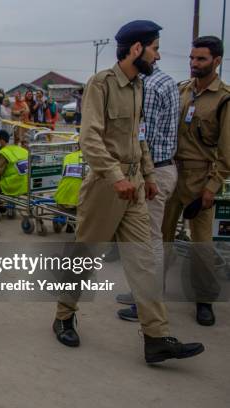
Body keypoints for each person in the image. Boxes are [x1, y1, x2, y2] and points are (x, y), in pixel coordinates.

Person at [52, 20, 204, 364]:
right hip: (106, 187)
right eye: (154, 47)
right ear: (136, 49)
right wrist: (116, 175)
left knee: (145, 261)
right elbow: (89, 139)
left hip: (134, 187)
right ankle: (63, 315)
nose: (158, 54)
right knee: (85, 256)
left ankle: (157, 336)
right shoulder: (100, 85)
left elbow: (140, 135)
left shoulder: (139, 86)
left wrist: (147, 175)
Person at [161, 36, 229, 326]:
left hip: (201, 177)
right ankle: (151, 292)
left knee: (201, 244)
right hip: (171, 173)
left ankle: (204, 300)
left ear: (217, 61)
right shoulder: (182, 91)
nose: (193, 63)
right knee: (160, 238)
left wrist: (212, 187)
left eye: (200, 59)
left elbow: (227, 150)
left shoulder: (224, 98)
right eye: (191, 58)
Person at [116, 59, 180, 321]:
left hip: (152, 171)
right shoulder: (167, 81)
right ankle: (144, 296)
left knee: (148, 240)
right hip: (163, 168)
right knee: (148, 238)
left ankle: (147, 305)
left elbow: (143, 136)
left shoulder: (150, 87)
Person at [0, 129, 28, 196]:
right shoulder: (21, 149)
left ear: (1, 141)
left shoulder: (3, 152)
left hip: (14, 185)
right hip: (28, 184)